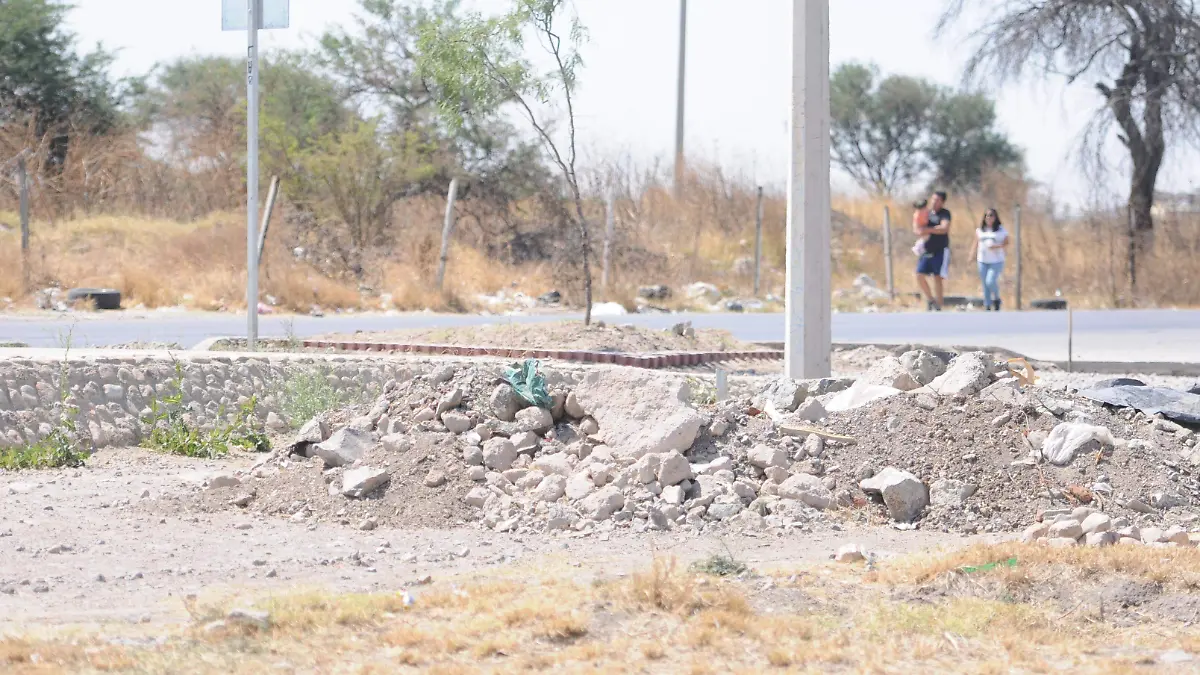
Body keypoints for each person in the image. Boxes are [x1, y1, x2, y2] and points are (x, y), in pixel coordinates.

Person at [913, 190, 951, 311]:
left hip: (940, 249)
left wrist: (928, 229)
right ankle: (931, 300)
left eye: (937, 200)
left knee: (937, 277)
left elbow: (944, 228)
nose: (934, 202)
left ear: (942, 202)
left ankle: (939, 306)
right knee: (919, 275)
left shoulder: (944, 214)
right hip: (926, 249)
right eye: (933, 199)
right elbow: (918, 228)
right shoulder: (927, 213)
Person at [974, 208, 1010, 311]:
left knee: (990, 281)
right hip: (982, 260)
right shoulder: (980, 230)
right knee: (984, 283)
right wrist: (971, 255)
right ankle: (987, 304)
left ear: (995, 217)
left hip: (996, 260)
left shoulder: (1001, 230)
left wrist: (996, 246)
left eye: (991, 215)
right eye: (987, 215)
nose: (989, 217)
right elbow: (976, 242)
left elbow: (1006, 242)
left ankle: (997, 298)